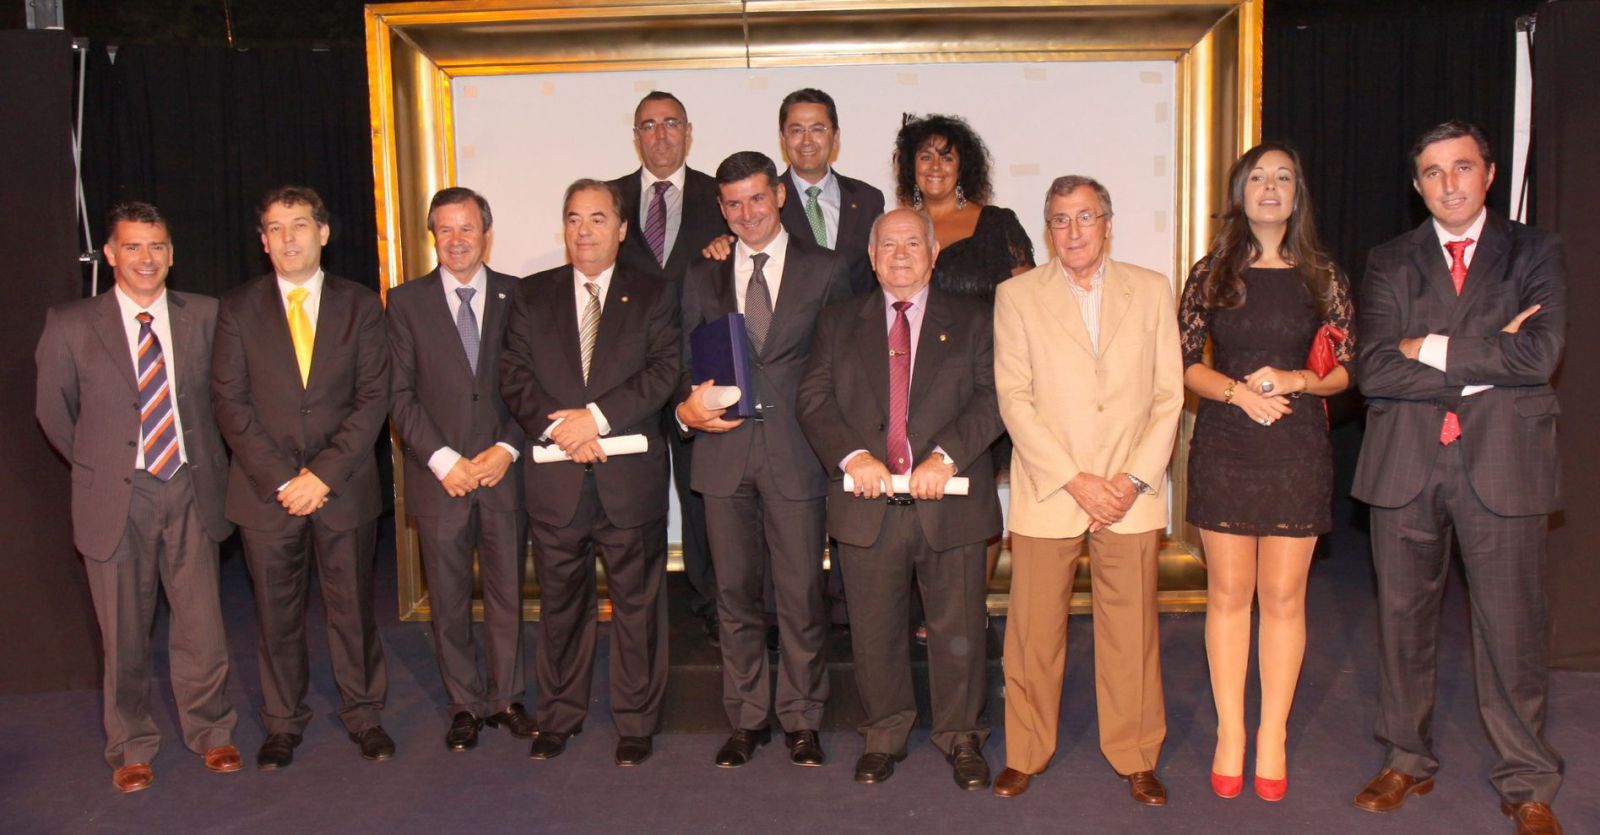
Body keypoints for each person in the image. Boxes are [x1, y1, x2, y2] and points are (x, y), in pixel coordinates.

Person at [1351, 120, 1566, 835]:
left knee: (1511, 626)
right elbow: (1374, 367)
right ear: (1417, 186)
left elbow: (1537, 356)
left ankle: (1527, 778)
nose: (1450, 183)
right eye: (1434, 173)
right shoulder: (1387, 260)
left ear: (1489, 173)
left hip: (1504, 461)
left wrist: (1431, 346)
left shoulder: (1535, 251)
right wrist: (1484, 357)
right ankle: (1405, 756)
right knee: (1401, 620)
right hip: (1406, 462)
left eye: (1462, 168)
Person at [35, 202, 242, 793]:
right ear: (110, 254)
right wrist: (103, 462)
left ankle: (212, 732)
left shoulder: (206, 316)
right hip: (115, 497)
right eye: (132, 247)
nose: (145, 259)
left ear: (171, 254)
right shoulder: (71, 323)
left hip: (190, 486)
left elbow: (224, 401)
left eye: (156, 247)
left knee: (202, 625)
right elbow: (55, 412)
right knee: (123, 631)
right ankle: (130, 744)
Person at [991, 176, 1183, 803]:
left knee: (1132, 631)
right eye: (1060, 220)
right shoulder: (1017, 296)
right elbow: (1014, 400)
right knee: (1032, 631)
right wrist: (1075, 480)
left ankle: (1135, 753)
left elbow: (1168, 396)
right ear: (1047, 229)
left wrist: (1129, 481)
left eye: (1085, 218)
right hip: (1053, 488)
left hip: (1132, 492)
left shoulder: (1152, 291)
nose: (1073, 232)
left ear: (1107, 223)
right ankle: (1025, 751)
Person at [796, 208, 1002, 790]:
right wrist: (852, 458)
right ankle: (884, 734)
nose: (902, 253)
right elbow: (812, 399)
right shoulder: (838, 321)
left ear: (935, 253)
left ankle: (962, 737)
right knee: (874, 630)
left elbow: (993, 398)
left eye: (914, 242)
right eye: (889, 244)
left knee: (958, 627)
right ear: (871, 255)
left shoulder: (975, 319)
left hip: (950, 500)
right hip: (868, 504)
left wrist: (947, 457)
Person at [1177, 143, 1354, 801]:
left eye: (1283, 177)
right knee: (1228, 593)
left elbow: (1346, 367)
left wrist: (1298, 379)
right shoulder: (1213, 272)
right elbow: (1185, 362)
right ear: (1240, 191)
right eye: (1258, 177)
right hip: (1225, 442)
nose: (1271, 187)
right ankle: (1231, 733)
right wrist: (1237, 392)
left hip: (1297, 446)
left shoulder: (1322, 274)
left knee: (1284, 597)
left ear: (1297, 194)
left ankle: (1271, 734)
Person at [675, 151, 852, 769]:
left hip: (799, 455)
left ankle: (803, 719)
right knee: (734, 595)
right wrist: (685, 408)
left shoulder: (827, 269)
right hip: (722, 455)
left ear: (778, 194)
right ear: (720, 209)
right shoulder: (701, 275)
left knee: (803, 594)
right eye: (733, 204)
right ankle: (747, 719)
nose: (747, 213)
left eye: (756, 198)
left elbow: (843, 363)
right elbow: (683, 362)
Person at [212, 185, 393, 769]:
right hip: (268, 493)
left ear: (324, 232)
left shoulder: (362, 305)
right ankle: (283, 723)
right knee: (275, 616)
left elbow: (373, 399)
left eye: (298, 225)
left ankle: (365, 715)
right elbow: (230, 404)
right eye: (275, 228)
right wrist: (285, 479)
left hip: (342, 488)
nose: (288, 238)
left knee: (353, 611)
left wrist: (322, 475)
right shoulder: (237, 308)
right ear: (263, 241)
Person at [500, 179, 680, 767]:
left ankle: (635, 721)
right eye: (574, 219)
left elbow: (663, 372)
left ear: (622, 229)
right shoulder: (531, 296)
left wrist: (595, 420)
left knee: (637, 606)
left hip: (628, 479)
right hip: (556, 478)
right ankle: (559, 716)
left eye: (598, 219)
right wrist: (561, 431)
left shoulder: (653, 294)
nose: (584, 230)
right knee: (560, 607)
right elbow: (515, 376)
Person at [387, 187, 534, 751]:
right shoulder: (404, 303)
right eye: (445, 230)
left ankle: (507, 698)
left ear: (485, 233)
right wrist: (444, 459)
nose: (456, 240)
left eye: (466, 228)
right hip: (439, 475)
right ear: (433, 236)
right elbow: (398, 395)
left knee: (506, 594)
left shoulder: (519, 297)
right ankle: (464, 705)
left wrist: (507, 448)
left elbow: (533, 386)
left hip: (504, 470)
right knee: (447, 598)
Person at [893, 113, 1033, 587]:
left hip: (986, 386)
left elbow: (1030, 303)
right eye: (925, 155)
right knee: (924, 490)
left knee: (977, 495)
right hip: (914, 388)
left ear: (964, 165)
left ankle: (969, 606)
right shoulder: (899, 230)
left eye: (946, 156)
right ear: (910, 166)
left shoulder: (997, 224)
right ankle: (932, 603)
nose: (935, 165)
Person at [608, 91, 728, 644]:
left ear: (688, 131)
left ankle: (710, 601)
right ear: (636, 136)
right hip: (625, 377)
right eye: (648, 125)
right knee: (632, 497)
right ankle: (641, 609)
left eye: (670, 123)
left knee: (701, 494)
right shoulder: (608, 201)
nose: (660, 134)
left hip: (694, 370)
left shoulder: (720, 197)